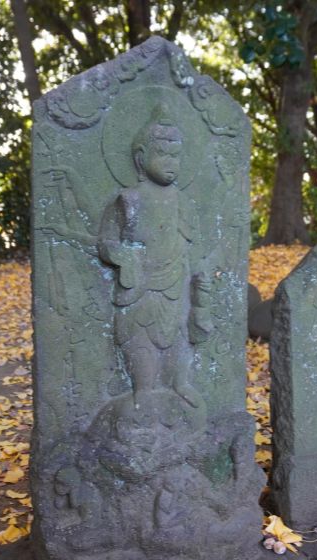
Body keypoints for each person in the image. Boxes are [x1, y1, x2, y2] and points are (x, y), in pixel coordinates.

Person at [97, 102, 211, 408]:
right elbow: (106, 241)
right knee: (140, 336)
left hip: (176, 280)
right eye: (162, 154)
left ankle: (180, 382)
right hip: (140, 285)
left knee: (179, 336)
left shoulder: (184, 203)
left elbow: (193, 247)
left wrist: (201, 293)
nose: (171, 162)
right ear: (140, 158)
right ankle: (143, 389)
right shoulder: (128, 200)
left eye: (176, 155)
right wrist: (120, 255)